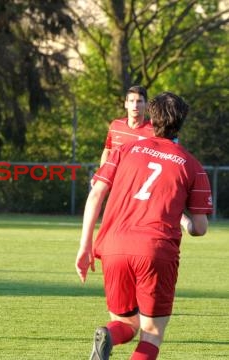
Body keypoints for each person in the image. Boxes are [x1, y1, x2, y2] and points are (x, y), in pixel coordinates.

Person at [75, 92, 213, 359]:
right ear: (182, 122)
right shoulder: (192, 166)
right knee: (152, 331)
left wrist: (85, 246)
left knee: (127, 323)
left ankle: (108, 334)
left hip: (113, 246)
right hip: (155, 249)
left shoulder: (124, 150)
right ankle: (110, 336)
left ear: (152, 117)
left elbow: (96, 194)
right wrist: (182, 218)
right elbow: (200, 227)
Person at [99, 85, 154, 167]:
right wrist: (101, 174)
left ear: (146, 105)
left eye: (139, 101)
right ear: (126, 104)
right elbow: (107, 150)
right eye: (131, 101)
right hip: (114, 179)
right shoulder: (115, 125)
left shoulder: (153, 131)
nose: (135, 105)